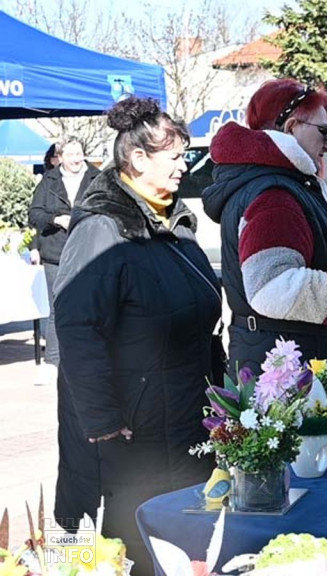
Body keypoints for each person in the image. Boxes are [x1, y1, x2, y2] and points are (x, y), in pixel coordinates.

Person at [53, 97, 219, 576]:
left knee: (183, 547)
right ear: (138, 159)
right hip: (130, 432)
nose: (183, 166)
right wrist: (103, 419)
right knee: (133, 549)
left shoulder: (174, 222)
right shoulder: (103, 228)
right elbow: (77, 327)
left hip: (183, 416)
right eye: (175, 156)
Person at [202, 80, 327, 404]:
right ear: (292, 127)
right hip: (291, 376)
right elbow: (273, 289)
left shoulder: (284, 184)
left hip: (295, 362)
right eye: (323, 131)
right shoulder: (274, 194)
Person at [27, 137, 100, 372]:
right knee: (57, 307)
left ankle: (90, 357)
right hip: (55, 253)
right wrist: (56, 219)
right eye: (70, 155)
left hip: (90, 251)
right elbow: (34, 214)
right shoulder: (48, 180)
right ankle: (53, 361)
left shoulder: (97, 178)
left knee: (92, 305)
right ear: (60, 158)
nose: (76, 159)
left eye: (79, 154)